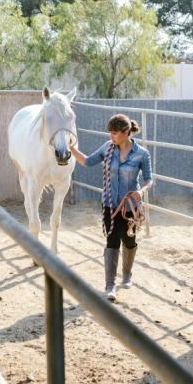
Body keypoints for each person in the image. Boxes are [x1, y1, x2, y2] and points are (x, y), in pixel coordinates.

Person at [70, 114, 153, 301]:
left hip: (131, 205)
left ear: (126, 132)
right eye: (110, 133)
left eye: (114, 133)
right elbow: (87, 161)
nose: (111, 137)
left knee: (129, 241)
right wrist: (70, 148)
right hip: (109, 204)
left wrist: (142, 192)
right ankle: (110, 285)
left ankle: (127, 274)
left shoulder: (141, 153)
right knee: (112, 241)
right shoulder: (107, 148)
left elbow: (149, 179)